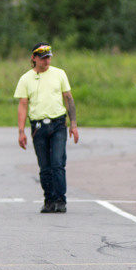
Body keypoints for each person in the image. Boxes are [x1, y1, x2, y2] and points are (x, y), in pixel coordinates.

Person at [15, 42, 79, 213]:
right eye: (43, 58)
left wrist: (73, 124)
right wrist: (21, 131)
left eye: (49, 57)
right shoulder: (26, 79)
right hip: (38, 127)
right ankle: (49, 199)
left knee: (58, 163)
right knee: (45, 166)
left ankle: (60, 199)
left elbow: (68, 98)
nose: (46, 61)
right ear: (34, 58)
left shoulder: (59, 74)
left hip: (58, 123)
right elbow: (22, 105)